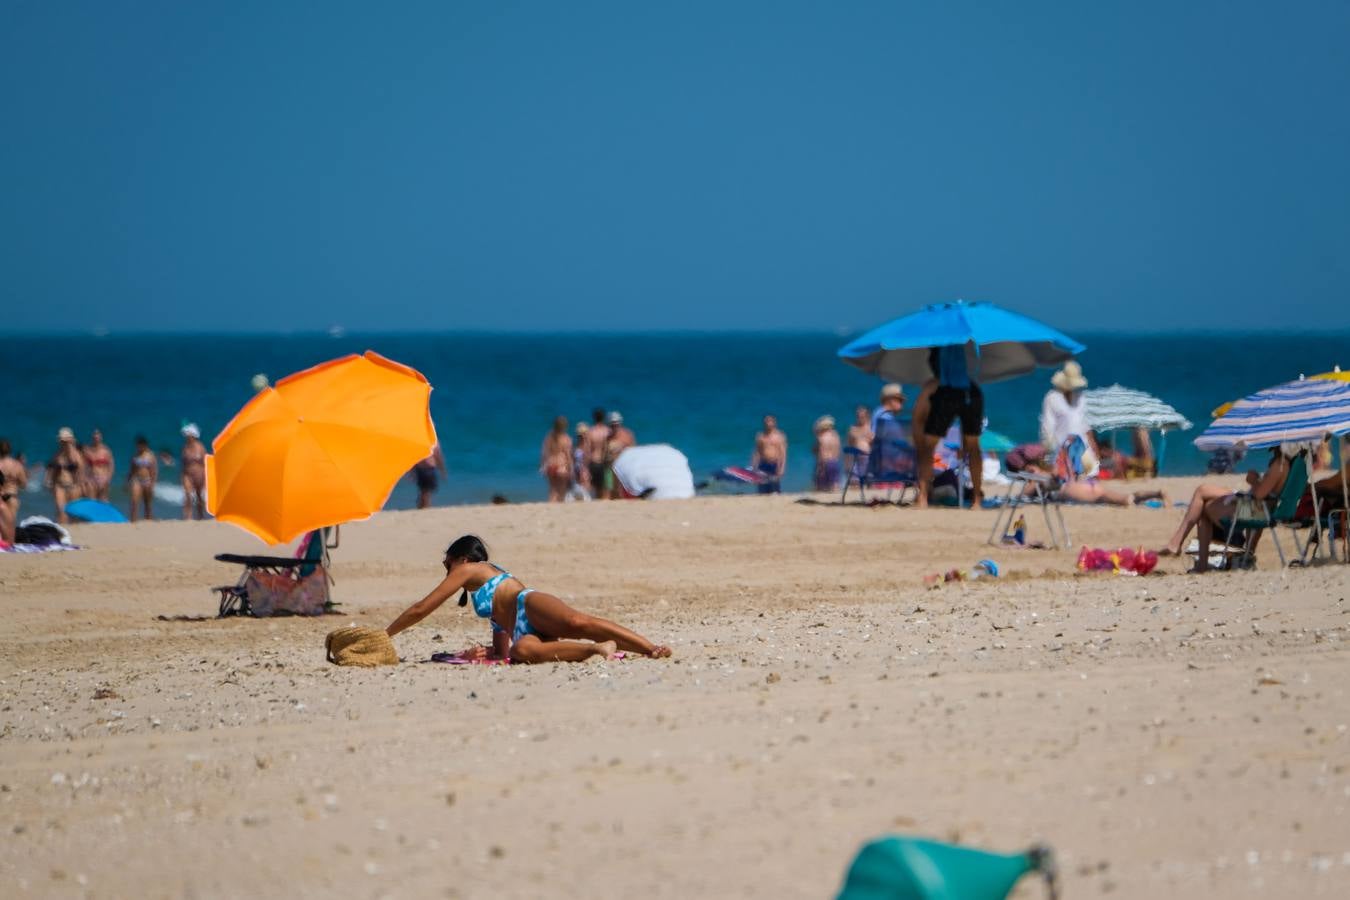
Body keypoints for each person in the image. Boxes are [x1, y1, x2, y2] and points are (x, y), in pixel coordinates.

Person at [385, 535, 672, 663]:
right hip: (520, 628)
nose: (446, 570)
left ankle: (649, 648)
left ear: (461, 559)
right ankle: (596, 650)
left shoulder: (469, 569)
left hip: (530, 605)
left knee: (577, 622)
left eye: (447, 563)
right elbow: (501, 644)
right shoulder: (478, 589)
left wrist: (386, 635)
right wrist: (485, 652)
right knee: (520, 652)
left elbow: (423, 608)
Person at [1158, 447, 1292, 559]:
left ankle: (1180, 546)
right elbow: (1268, 494)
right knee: (1202, 494)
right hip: (1258, 508)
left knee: (1202, 496)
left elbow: (1259, 495)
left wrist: (1253, 480)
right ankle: (1180, 546)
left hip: (1255, 511)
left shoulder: (1280, 465)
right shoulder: (1288, 464)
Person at [917, 347, 983, 509]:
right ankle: (976, 500)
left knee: (929, 446)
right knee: (973, 446)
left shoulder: (940, 340)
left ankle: (923, 497)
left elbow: (937, 370)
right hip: (970, 391)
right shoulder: (964, 337)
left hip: (947, 390)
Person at [45, 428, 87, 524]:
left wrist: (83, 487)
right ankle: (62, 530)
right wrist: (49, 482)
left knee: (73, 513)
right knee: (61, 511)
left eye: (65, 441)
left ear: (71, 441)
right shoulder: (57, 455)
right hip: (59, 486)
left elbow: (81, 472)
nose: (63, 443)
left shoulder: (76, 455)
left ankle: (73, 533)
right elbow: (52, 470)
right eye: (62, 441)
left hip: (73, 486)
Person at [751, 414, 787, 494]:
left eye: (770, 421)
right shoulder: (760, 436)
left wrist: (782, 467)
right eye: (767, 421)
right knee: (762, 488)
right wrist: (753, 466)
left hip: (774, 464)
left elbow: (783, 454)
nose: (768, 423)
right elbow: (757, 452)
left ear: (774, 423)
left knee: (774, 488)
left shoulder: (780, 436)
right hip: (763, 464)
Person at [540, 416, 573, 503]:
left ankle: (551, 506)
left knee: (552, 490)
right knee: (562, 491)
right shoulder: (566, 438)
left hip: (550, 465)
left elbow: (544, 452)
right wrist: (571, 468)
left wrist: (542, 465)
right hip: (561, 466)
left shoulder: (549, 437)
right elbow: (568, 455)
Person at [602, 412, 635, 498]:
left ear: (620, 424)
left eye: (616, 425)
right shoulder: (607, 438)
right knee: (609, 489)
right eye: (612, 425)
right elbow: (604, 454)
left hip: (623, 467)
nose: (614, 427)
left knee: (621, 490)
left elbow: (633, 451)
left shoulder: (627, 435)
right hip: (610, 467)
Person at [179, 424, 208, 520]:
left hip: (199, 475)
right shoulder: (185, 448)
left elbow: (205, 463)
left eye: (188, 435)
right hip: (188, 475)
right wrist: (182, 476)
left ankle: (200, 516)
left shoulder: (200, 447)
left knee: (199, 497)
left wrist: (206, 479)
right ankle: (188, 516)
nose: (187, 437)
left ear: (193, 436)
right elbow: (183, 463)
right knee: (188, 494)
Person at [127, 435, 158, 521]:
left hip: (147, 480)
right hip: (137, 480)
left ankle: (148, 519)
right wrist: (127, 481)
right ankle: (133, 520)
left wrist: (153, 483)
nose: (139, 447)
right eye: (138, 445)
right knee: (134, 501)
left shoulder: (150, 455)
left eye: (141, 445)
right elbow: (131, 470)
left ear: (145, 445)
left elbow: (154, 471)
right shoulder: (135, 456)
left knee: (147, 503)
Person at [0, 438, 28, 521]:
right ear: (10, 450)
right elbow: (24, 484)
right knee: (10, 523)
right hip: (12, 494)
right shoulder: (17, 465)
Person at [83, 428, 115, 502]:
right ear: (92, 437)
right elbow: (83, 466)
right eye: (94, 435)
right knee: (91, 501)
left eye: (98, 435)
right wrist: (84, 479)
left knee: (103, 501)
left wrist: (108, 479)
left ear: (101, 437)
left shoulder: (106, 450)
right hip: (91, 478)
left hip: (103, 478)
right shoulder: (87, 450)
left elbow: (111, 466)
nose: (96, 437)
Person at [412, 443, 447, 509]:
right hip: (425, 469)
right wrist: (442, 470)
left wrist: (442, 470)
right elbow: (438, 456)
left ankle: (423, 506)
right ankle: (425, 506)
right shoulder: (433, 442)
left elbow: (438, 456)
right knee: (426, 491)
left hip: (422, 469)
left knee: (425, 491)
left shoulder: (422, 441)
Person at [812, 415, 841, 492]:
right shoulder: (836, 436)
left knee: (821, 486)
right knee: (835, 484)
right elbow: (838, 450)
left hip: (825, 462)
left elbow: (821, 453)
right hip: (835, 461)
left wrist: (820, 466)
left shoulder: (821, 438)